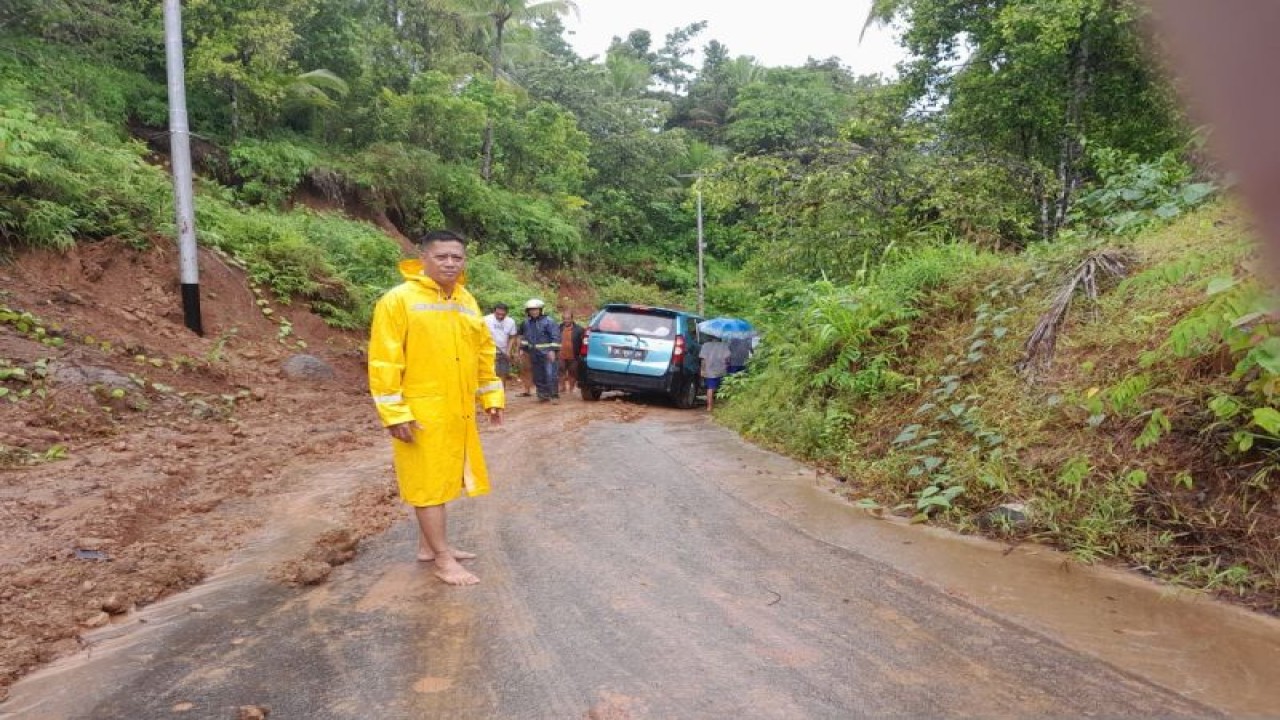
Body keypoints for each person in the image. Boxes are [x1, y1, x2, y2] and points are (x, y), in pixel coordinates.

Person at [368, 229, 504, 586]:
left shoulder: (466, 300)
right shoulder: (398, 300)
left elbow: (484, 351)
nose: (449, 263)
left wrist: (491, 397)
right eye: (441, 256)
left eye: (456, 257)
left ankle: (428, 547)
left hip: (457, 408)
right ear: (423, 259)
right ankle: (443, 560)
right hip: (421, 409)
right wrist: (395, 413)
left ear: (464, 262)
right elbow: (384, 360)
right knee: (427, 483)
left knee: (445, 477)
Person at [518, 298, 561, 402]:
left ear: (541, 310)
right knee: (538, 375)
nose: (533, 311)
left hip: (547, 353)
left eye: (536, 309)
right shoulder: (526, 323)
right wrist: (522, 349)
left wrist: (552, 350)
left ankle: (553, 395)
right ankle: (542, 394)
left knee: (550, 374)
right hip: (533, 353)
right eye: (531, 310)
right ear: (527, 311)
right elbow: (524, 338)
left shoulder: (549, 322)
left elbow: (556, 337)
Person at [483, 302, 519, 389]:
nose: (500, 316)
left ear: (507, 313)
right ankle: (489, 397)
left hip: (503, 352)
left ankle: (501, 395)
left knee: (502, 374)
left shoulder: (511, 322)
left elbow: (512, 337)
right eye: (498, 314)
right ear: (494, 311)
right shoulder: (485, 319)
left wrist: (509, 351)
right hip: (488, 352)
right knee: (488, 374)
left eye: (503, 314)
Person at [700, 334, 731, 411]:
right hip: (721, 369)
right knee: (722, 388)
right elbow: (728, 358)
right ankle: (722, 406)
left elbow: (703, 359)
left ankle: (709, 407)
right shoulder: (724, 345)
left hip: (709, 370)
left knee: (710, 388)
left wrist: (702, 370)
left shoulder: (705, 345)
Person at [559, 310, 586, 395]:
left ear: (572, 319)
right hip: (560, 355)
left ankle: (571, 389)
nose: (566, 321)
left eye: (568, 319)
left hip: (574, 355)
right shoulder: (558, 328)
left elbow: (583, 342)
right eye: (564, 319)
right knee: (560, 371)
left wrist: (582, 354)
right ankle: (562, 387)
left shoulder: (580, 329)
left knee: (573, 372)